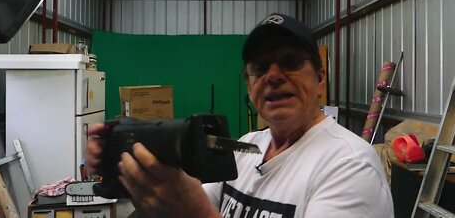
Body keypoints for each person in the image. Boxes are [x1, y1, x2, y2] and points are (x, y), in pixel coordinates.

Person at [86, 13, 394, 218]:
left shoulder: (350, 165)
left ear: (320, 78)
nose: (273, 76)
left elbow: (197, 211)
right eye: (260, 68)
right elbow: (195, 202)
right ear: (249, 86)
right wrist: (128, 170)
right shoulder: (246, 147)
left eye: (289, 62)